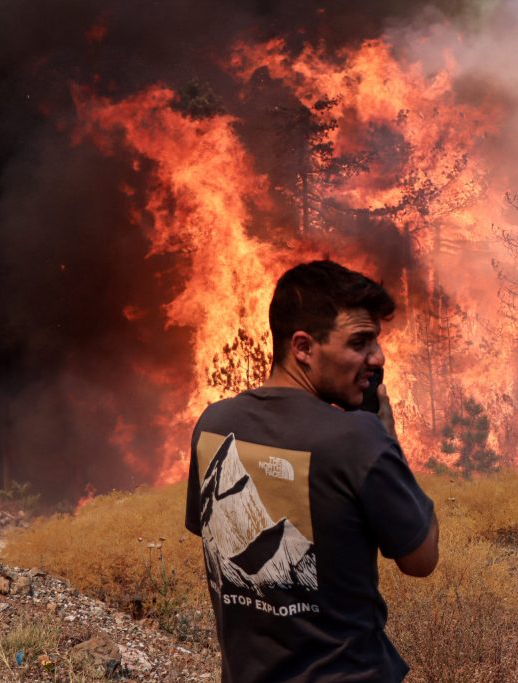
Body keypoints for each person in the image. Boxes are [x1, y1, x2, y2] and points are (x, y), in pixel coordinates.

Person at [185, 259, 438, 683]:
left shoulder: (213, 426)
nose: (378, 356)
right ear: (303, 347)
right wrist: (386, 439)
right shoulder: (356, 439)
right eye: (360, 342)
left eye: (376, 340)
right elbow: (421, 559)